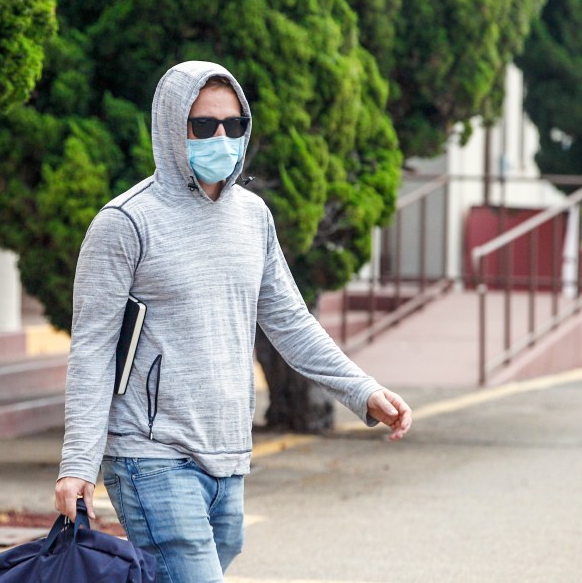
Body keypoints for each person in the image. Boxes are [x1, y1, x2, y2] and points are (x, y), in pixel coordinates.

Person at [54, 61, 412, 582]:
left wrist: (362, 391)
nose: (220, 138)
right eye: (203, 126)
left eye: (233, 125)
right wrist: (77, 464)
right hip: (151, 456)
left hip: (229, 455)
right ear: (172, 129)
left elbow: (290, 321)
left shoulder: (253, 217)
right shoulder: (125, 223)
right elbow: (92, 350)